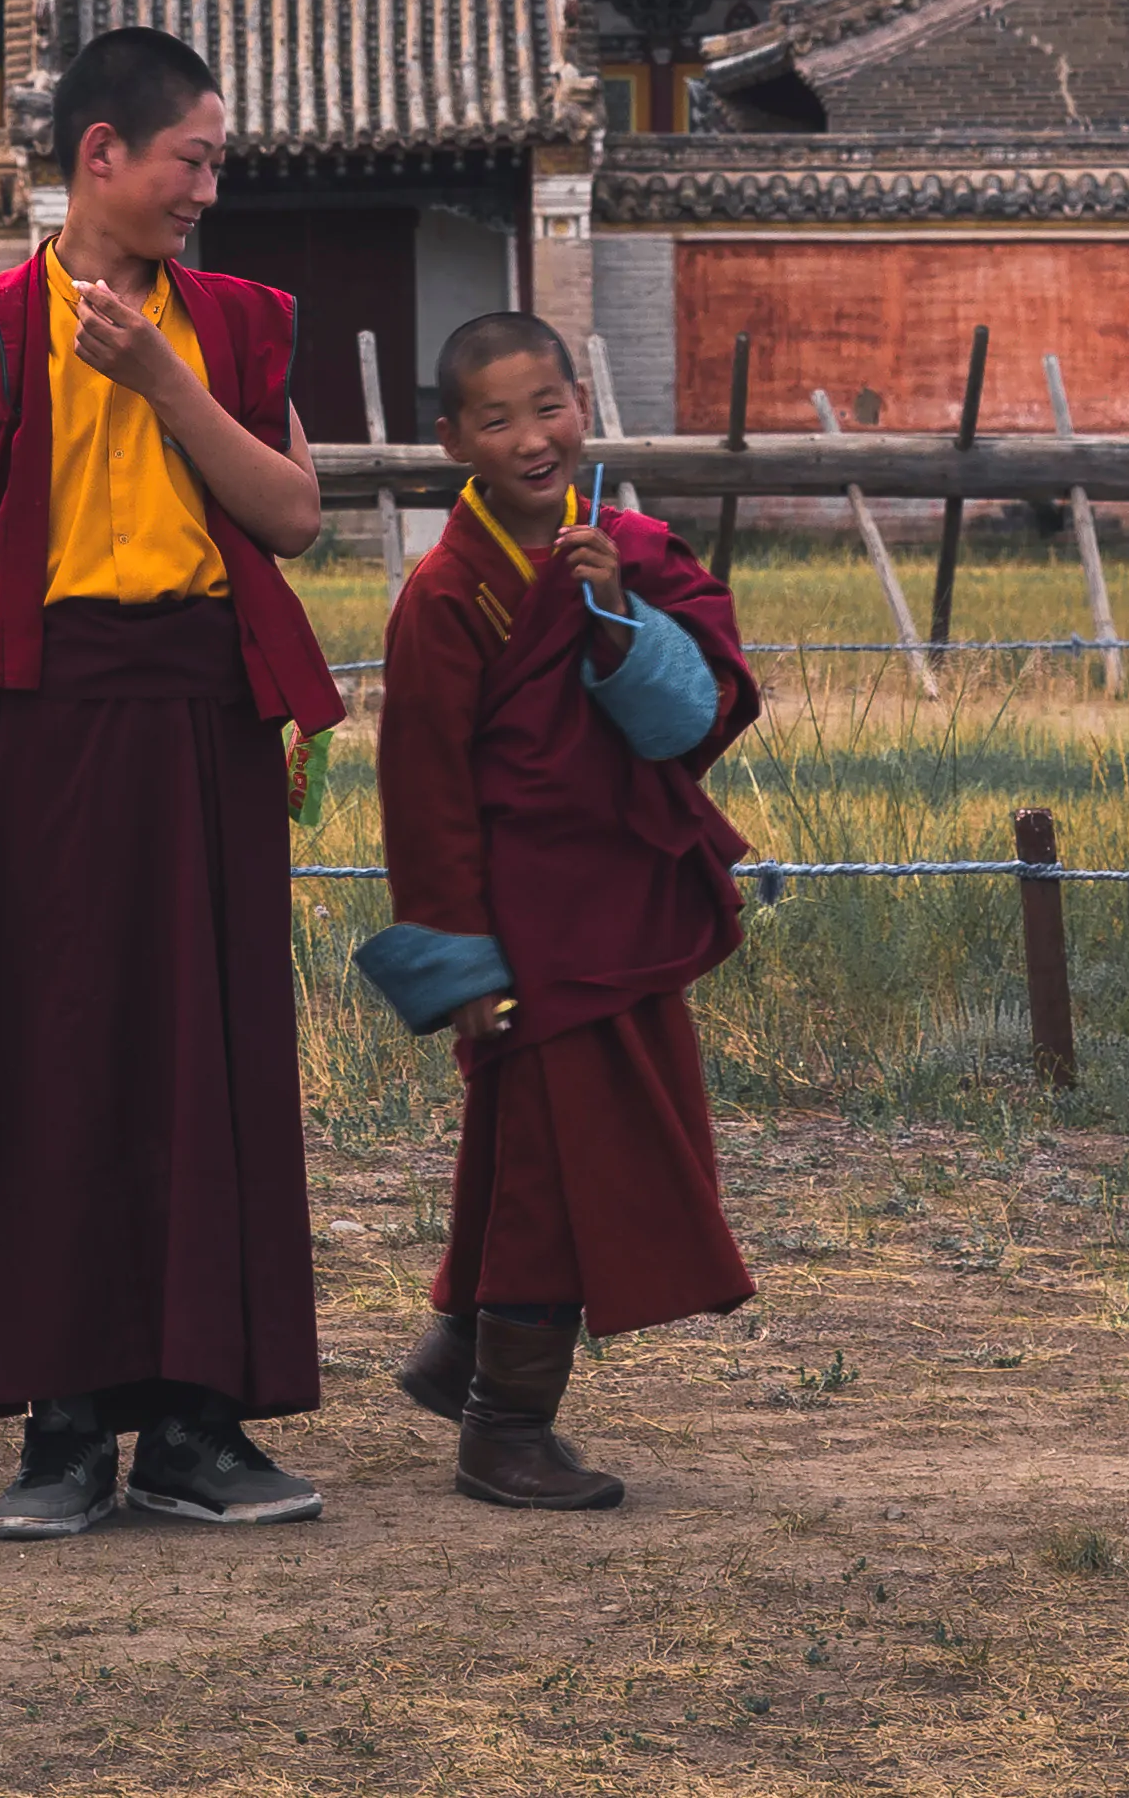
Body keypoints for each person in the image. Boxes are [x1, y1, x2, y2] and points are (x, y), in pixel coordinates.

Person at [0, 25, 345, 1539]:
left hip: (205, 713)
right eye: (188, 159)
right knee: (57, 1057)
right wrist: (36, 646)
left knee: (204, 1057)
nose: (205, 188)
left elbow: (289, 514)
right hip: (60, 725)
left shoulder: (230, 324)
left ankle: (199, 1427)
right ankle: (63, 1424)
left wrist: (158, 380)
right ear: (99, 156)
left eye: (215, 163)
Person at [357, 310, 761, 1510]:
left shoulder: (633, 548)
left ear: (582, 403)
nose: (532, 438)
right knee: (547, 1163)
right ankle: (503, 1425)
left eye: (548, 406)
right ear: (452, 441)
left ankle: (459, 1356)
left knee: (544, 1145)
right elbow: (422, 796)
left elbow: (700, 719)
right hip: (527, 927)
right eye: (497, 419)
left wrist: (618, 618)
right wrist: (463, 965)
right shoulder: (446, 595)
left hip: (621, 901)